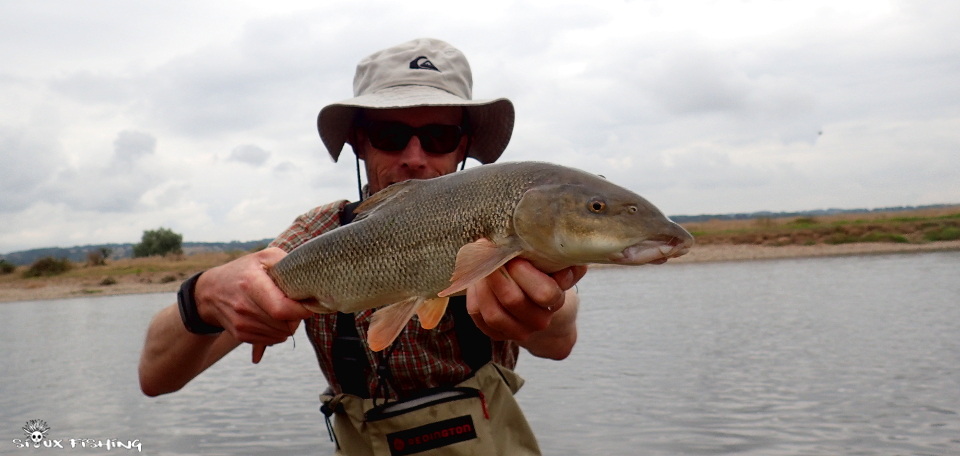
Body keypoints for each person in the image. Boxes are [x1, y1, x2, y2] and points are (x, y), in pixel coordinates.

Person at [139, 38, 586, 455]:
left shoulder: (507, 223)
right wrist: (204, 298)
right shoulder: (316, 236)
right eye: (390, 135)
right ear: (358, 142)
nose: (414, 155)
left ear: (463, 146)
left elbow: (559, 339)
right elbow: (155, 376)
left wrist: (545, 307)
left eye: (438, 137)